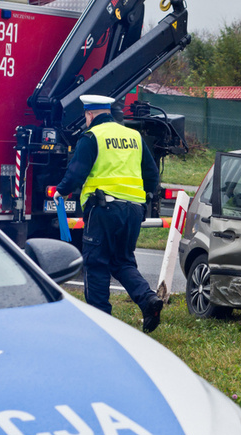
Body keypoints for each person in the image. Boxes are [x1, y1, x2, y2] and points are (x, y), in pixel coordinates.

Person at [54, 94, 163, 333]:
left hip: (103, 210)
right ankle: (148, 301)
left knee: (96, 263)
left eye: (85, 116)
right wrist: (143, 198)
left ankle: (99, 323)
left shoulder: (92, 136)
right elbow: (152, 175)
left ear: (90, 114)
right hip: (133, 210)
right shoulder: (134, 136)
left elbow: (76, 173)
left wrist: (60, 192)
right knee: (122, 261)